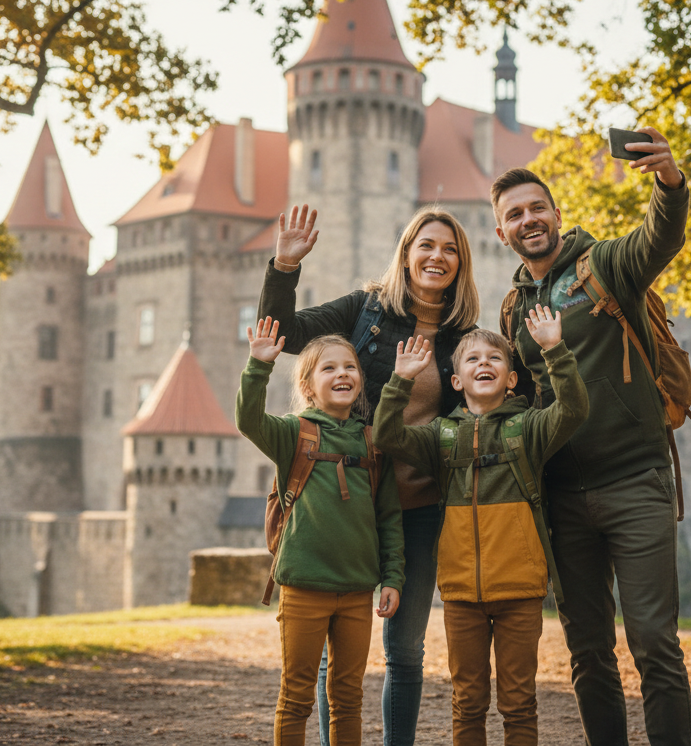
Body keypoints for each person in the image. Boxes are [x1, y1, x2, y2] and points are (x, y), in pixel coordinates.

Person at [491, 128, 691, 745]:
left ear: (557, 215)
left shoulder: (605, 264)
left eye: (536, 208)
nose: (528, 220)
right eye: (514, 216)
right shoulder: (511, 310)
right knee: (587, 651)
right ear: (502, 233)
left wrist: (669, 182)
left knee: (655, 642)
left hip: (636, 481)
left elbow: (661, 238)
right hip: (563, 499)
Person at [258, 205, 480, 746]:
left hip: (424, 504)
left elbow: (478, 405)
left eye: (450, 249)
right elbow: (285, 335)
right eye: (426, 245)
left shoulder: (463, 336)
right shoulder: (367, 310)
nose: (437, 256)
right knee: (341, 653)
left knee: (405, 652)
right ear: (406, 254)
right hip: (354, 496)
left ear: (461, 264)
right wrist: (284, 268)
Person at [372, 313, 589, 746]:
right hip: (461, 596)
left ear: (511, 379)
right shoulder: (441, 436)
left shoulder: (528, 427)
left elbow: (573, 409)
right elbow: (387, 434)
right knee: (467, 701)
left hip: (520, 590)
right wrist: (401, 380)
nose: (483, 363)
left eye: (494, 358)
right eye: (471, 359)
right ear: (456, 381)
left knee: (519, 703)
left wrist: (554, 350)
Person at [236, 319, 405, 746]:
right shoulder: (293, 433)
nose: (342, 374)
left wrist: (394, 578)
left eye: (349, 367)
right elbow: (248, 420)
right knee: (295, 698)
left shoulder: (372, 443)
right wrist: (258, 365)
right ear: (309, 386)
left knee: (348, 698)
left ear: (361, 380)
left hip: (356, 592)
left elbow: (388, 517)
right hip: (303, 588)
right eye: (328, 369)